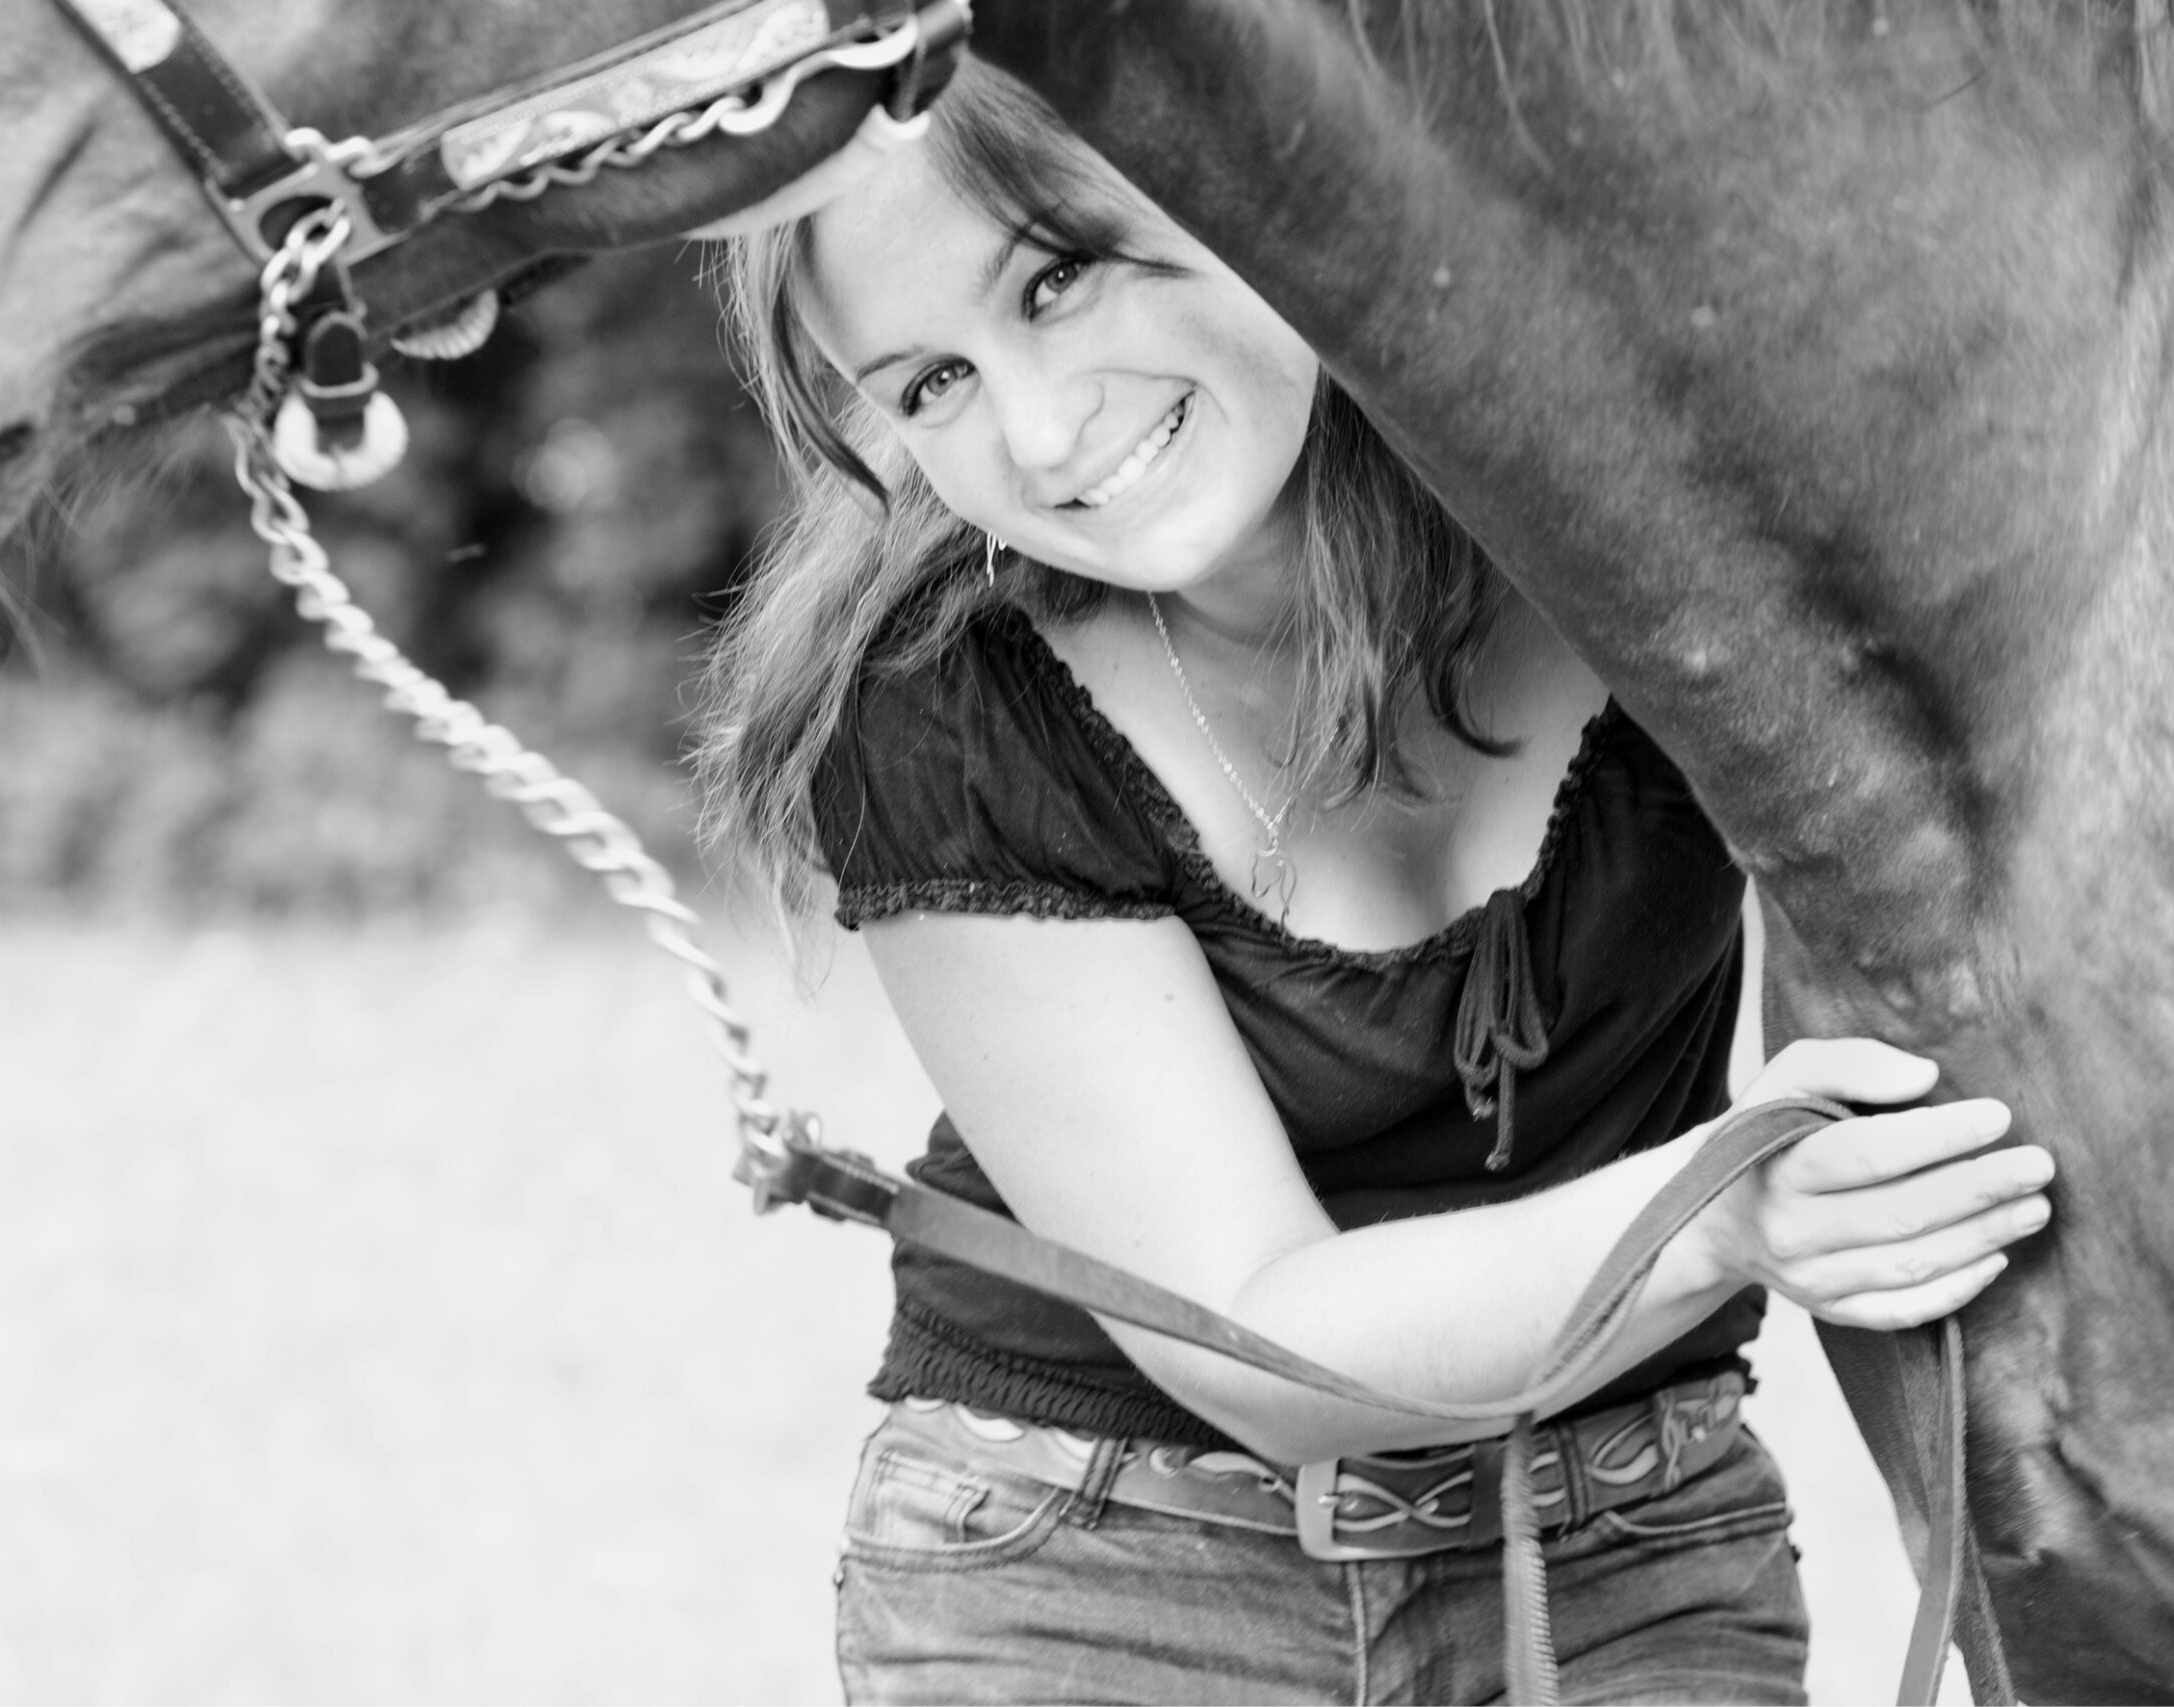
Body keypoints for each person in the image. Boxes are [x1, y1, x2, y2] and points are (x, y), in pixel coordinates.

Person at [691, 63, 2054, 1707]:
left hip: (1633, 1548)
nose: (1039, 434)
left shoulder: (1650, 523)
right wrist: (1722, 1216)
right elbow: (1256, 1334)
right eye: (931, 383)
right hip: (1110, 1581)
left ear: (1246, 176)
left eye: (1055, 279)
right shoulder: (940, 700)